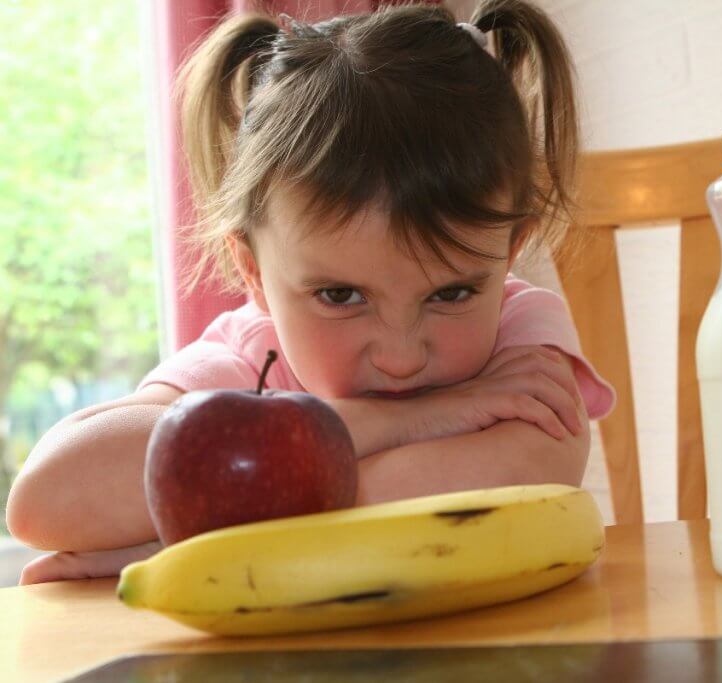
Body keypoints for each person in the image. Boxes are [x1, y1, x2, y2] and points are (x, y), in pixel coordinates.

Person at [6, 0, 614, 584]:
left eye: (450, 294)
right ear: (253, 274)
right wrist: (418, 420)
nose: (400, 357)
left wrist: (202, 525)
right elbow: (46, 500)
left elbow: (529, 478)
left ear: (510, 252)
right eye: (342, 296)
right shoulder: (248, 359)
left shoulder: (520, 332)